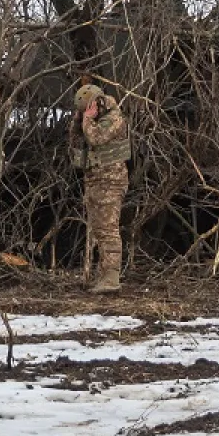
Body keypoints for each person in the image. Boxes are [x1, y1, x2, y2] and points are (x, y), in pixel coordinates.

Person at [72, 83, 129, 294]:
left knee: (108, 229)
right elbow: (76, 142)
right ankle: (104, 276)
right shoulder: (92, 120)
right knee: (99, 229)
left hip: (111, 181)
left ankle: (111, 279)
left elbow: (96, 138)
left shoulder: (114, 118)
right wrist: (78, 122)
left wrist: (87, 120)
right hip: (95, 180)